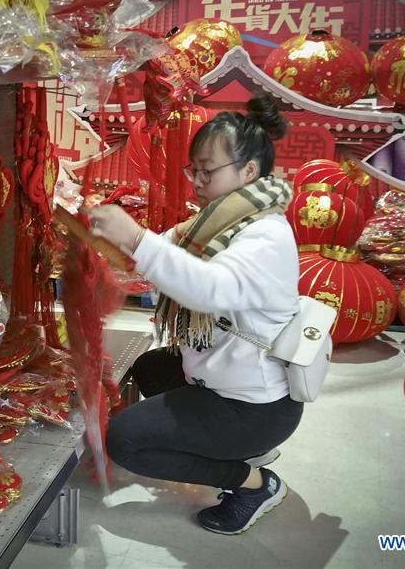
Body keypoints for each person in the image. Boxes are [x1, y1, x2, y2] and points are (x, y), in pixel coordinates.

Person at [85, 93, 302, 535]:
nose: (198, 181)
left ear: (248, 171)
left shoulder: (265, 235)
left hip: (254, 406)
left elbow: (209, 290)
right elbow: (165, 251)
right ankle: (230, 451)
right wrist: (113, 245)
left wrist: (137, 239)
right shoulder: (216, 223)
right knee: (149, 368)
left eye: (208, 170)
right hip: (227, 377)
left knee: (125, 439)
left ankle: (253, 483)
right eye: (194, 170)